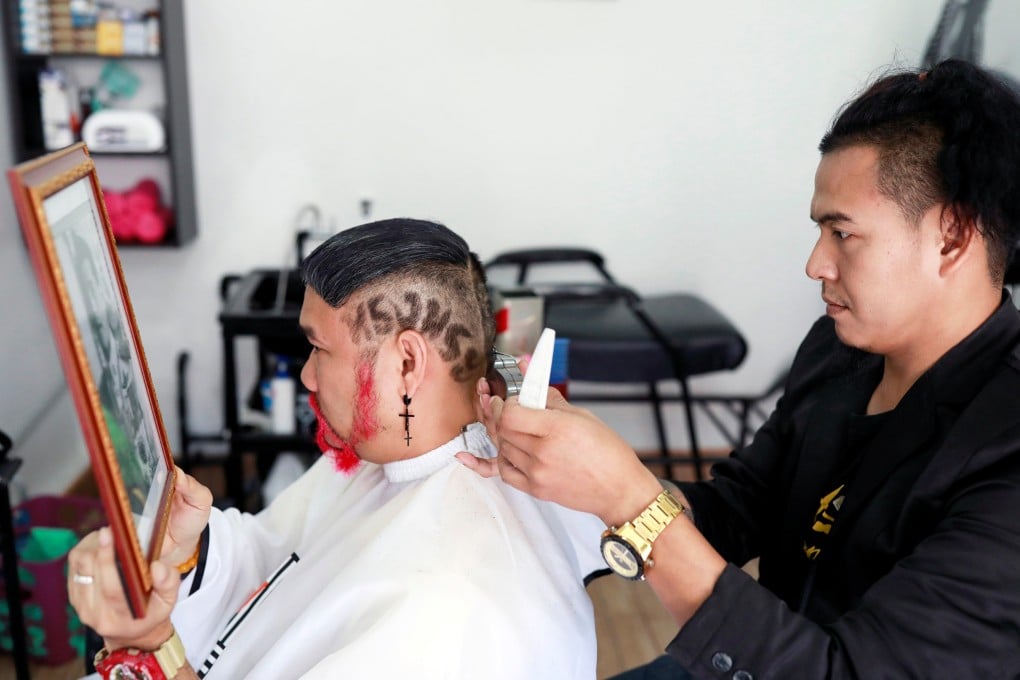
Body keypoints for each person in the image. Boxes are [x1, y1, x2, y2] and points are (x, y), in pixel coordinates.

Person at [459, 58, 1020, 678]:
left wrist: (630, 497)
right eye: (820, 231)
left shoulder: (1003, 444)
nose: (815, 264)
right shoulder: (841, 354)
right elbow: (738, 508)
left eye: (843, 233)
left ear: (953, 238)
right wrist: (579, 483)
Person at [68, 218, 606, 679]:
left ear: (408, 365)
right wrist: (189, 550)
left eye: (317, 348)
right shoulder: (394, 456)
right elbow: (275, 555)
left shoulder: (446, 608)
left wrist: (142, 648)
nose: (306, 375)